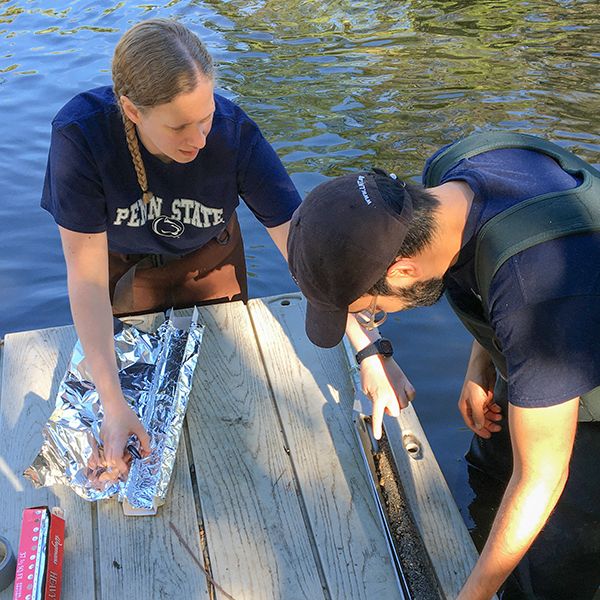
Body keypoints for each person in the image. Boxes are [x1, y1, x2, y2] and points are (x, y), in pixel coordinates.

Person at [286, 131, 600, 600]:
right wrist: (485, 364)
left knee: (555, 559)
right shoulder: (445, 181)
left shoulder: (532, 289)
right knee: (491, 472)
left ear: (402, 269)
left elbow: (542, 476)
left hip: (579, 361)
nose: (379, 316)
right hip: (546, 330)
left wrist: (469, 596)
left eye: (373, 309)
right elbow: (492, 274)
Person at [41, 19, 302, 481]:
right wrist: (112, 402)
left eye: (205, 116)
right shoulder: (81, 137)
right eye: (180, 125)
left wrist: (369, 350)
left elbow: (302, 249)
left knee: (225, 403)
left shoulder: (234, 133)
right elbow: (84, 278)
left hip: (211, 264)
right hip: (127, 275)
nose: (200, 139)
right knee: (140, 410)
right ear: (132, 110)